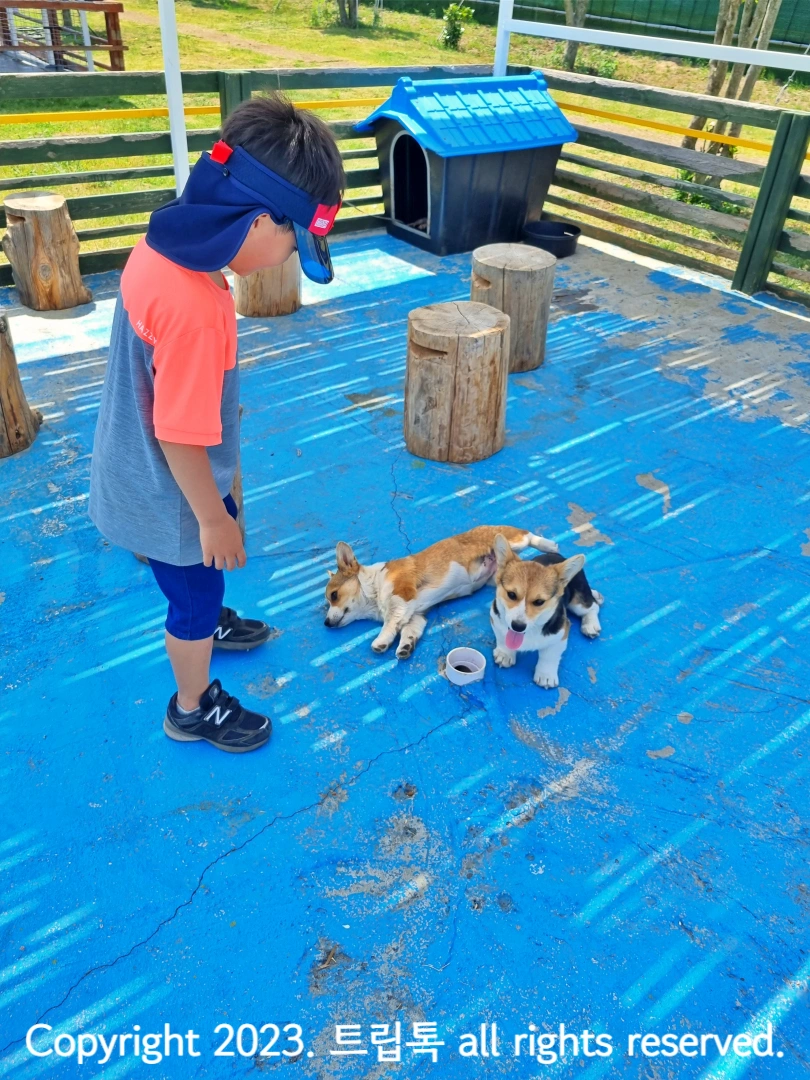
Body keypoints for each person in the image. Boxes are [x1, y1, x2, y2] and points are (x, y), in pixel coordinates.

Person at [88, 93, 345, 753]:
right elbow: (178, 433)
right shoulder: (200, 312)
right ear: (259, 222)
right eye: (294, 241)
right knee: (194, 596)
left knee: (198, 583)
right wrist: (213, 517)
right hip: (173, 495)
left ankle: (210, 623)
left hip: (135, 468)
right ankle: (192, 705)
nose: (290, 257)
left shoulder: (161, 245)